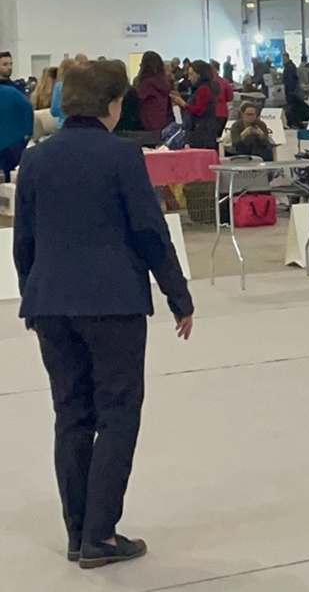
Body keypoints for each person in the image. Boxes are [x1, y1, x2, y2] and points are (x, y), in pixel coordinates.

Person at [12, 61, 193, 569]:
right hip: (112, 304)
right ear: (112, 106)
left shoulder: (36, 161)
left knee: (70, 414)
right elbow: (149, 232)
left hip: (50, 304)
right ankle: (101, 535)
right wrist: (179, 297)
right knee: (117, 414)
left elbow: (23, 241)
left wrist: (32, 296)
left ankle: (77, 533)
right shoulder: (122, 156)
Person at [170, 61, 220, 150]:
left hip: (201, 132)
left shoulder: (203, 89)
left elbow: (200, 110)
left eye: (191, 74)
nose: (189, 78)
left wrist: (183, 104)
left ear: (199, 75)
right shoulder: (204, 88)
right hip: (203, 130)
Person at [0, 50, 34, 182]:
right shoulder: (15, 92)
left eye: (10, 64)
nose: (9, 67)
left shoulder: (17, 90)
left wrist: (26, 134)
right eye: (5, 64)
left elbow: (27, 111)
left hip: (13, 144)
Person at [135, 52, 173, 133]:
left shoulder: (147, 84)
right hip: (162, 122)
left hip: (147, 123)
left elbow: (138, 100)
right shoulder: (165, 82)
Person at [210, 60, 234, 137]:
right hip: (222, 112)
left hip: (210, 113)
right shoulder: (225, 82)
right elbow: (230, 97)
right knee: (219, 137)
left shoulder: (206, 82)